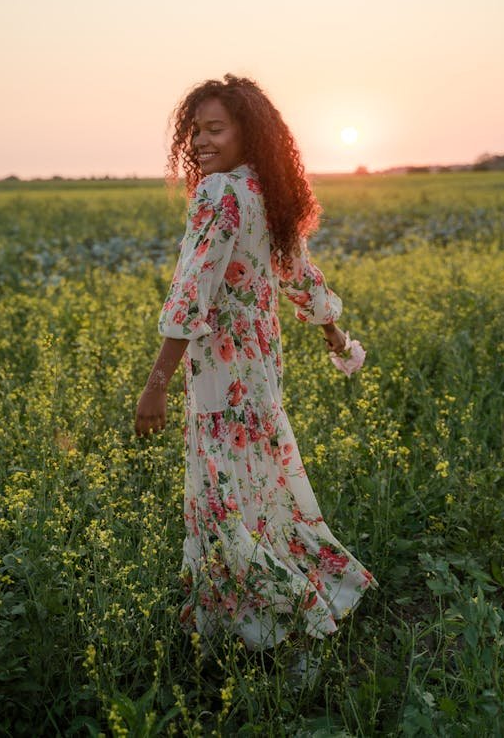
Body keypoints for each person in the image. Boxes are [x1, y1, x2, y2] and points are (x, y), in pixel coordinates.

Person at [135, 74, 376, 654]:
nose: (199, 142)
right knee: (257, 489)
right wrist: (335, 336)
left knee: (221, 499)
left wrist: (155, 386)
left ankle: (283, 622)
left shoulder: (219, 193)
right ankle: (281, 606)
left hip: (221, 370)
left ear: (250, 132)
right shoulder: (266, 192)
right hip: (261, 367)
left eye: (215, 129)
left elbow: (190, 295)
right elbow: (303, 278)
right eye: (194, 132)